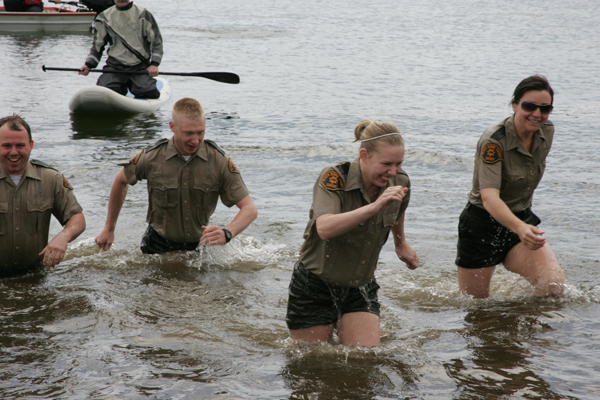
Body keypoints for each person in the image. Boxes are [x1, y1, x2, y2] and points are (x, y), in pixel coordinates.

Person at [286, 119, 419, 348]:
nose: (393, 171)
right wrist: (374, 207)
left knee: (365, 358)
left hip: (360, 285)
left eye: (399, 163)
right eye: (386, 163)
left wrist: (400, 243)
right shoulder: (334, 177)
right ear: (364, 155)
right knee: (312, 365)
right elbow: (325, 228)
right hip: (315, 285)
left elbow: (398, 209)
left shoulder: (400, 180)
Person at [95, 98, 257, 254]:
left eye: (200, 132)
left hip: (198, 248)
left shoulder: (218, 161)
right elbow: (120, 181)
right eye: (188, 133)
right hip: (156, 245)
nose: (195, 140)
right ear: (172, 127)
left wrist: (226, 233)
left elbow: (249, 209)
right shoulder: (152, 157)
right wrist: (109, 228)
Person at [456, 75, 566, 298]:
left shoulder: (546, 131)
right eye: (529, 106)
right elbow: (489, 198)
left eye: (545, 109)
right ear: (515, 105)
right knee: (476, 308)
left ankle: (523, 328)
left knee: (553, 288)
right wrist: (519, 227)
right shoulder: (493, 141)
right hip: (481, 226)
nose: (537, 114)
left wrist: (520, 227)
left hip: (521, 221)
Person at [0, 115, 86, 278]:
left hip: (36, 277)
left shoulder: (51, 179)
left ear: (31, 145)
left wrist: (64, 236)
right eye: (6, 146)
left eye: (20, 145)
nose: (13, 152)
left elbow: (77, 218)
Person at [78, 0, 163, 99]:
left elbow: (156, 42)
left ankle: (134, 85)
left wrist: (154, 64)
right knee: (105, 92)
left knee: (149, 93)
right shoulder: (103, 17)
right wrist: (88, 64)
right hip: (114, 66)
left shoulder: (143, 14)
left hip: (139, 67)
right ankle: (121, 86)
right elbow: (97, 46)